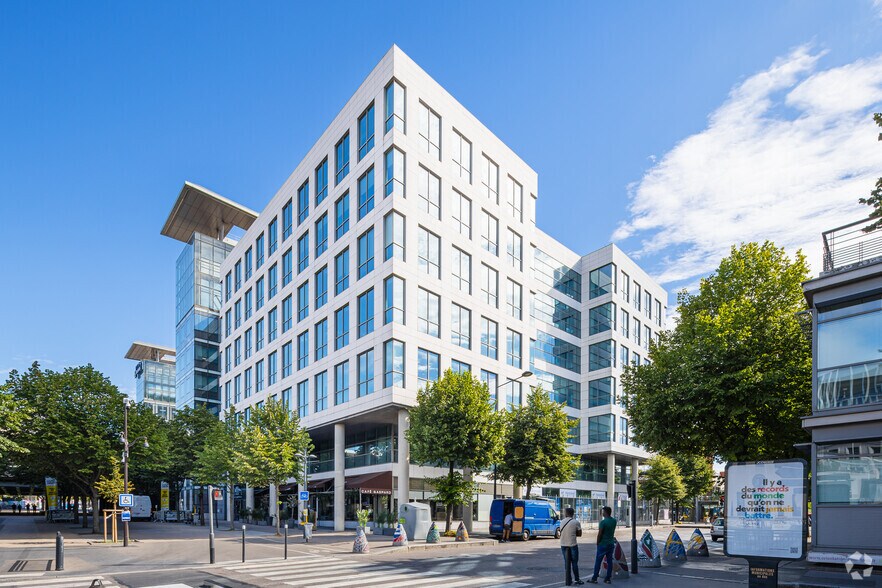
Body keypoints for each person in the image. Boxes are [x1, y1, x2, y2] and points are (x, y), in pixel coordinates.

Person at [588, 506, 617, 584]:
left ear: (606, 512)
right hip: (610, 543)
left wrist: (597, 542)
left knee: (598, 561)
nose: (602, 513)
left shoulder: (603, 522)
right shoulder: (614, 521)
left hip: (603, 544)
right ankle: (608, 578)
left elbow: (600, 534)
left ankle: (594, 578)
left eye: (603, 511)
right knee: (609, 561)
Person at [559, 507, 583, 586]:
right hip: (572, 545)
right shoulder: (576, 522)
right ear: (573, 513)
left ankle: (568, 579)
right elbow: (580, 534)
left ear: (566, 513)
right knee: (574, 563)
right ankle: (577, 579)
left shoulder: (561, 522)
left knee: (567, 562)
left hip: (563, 544)